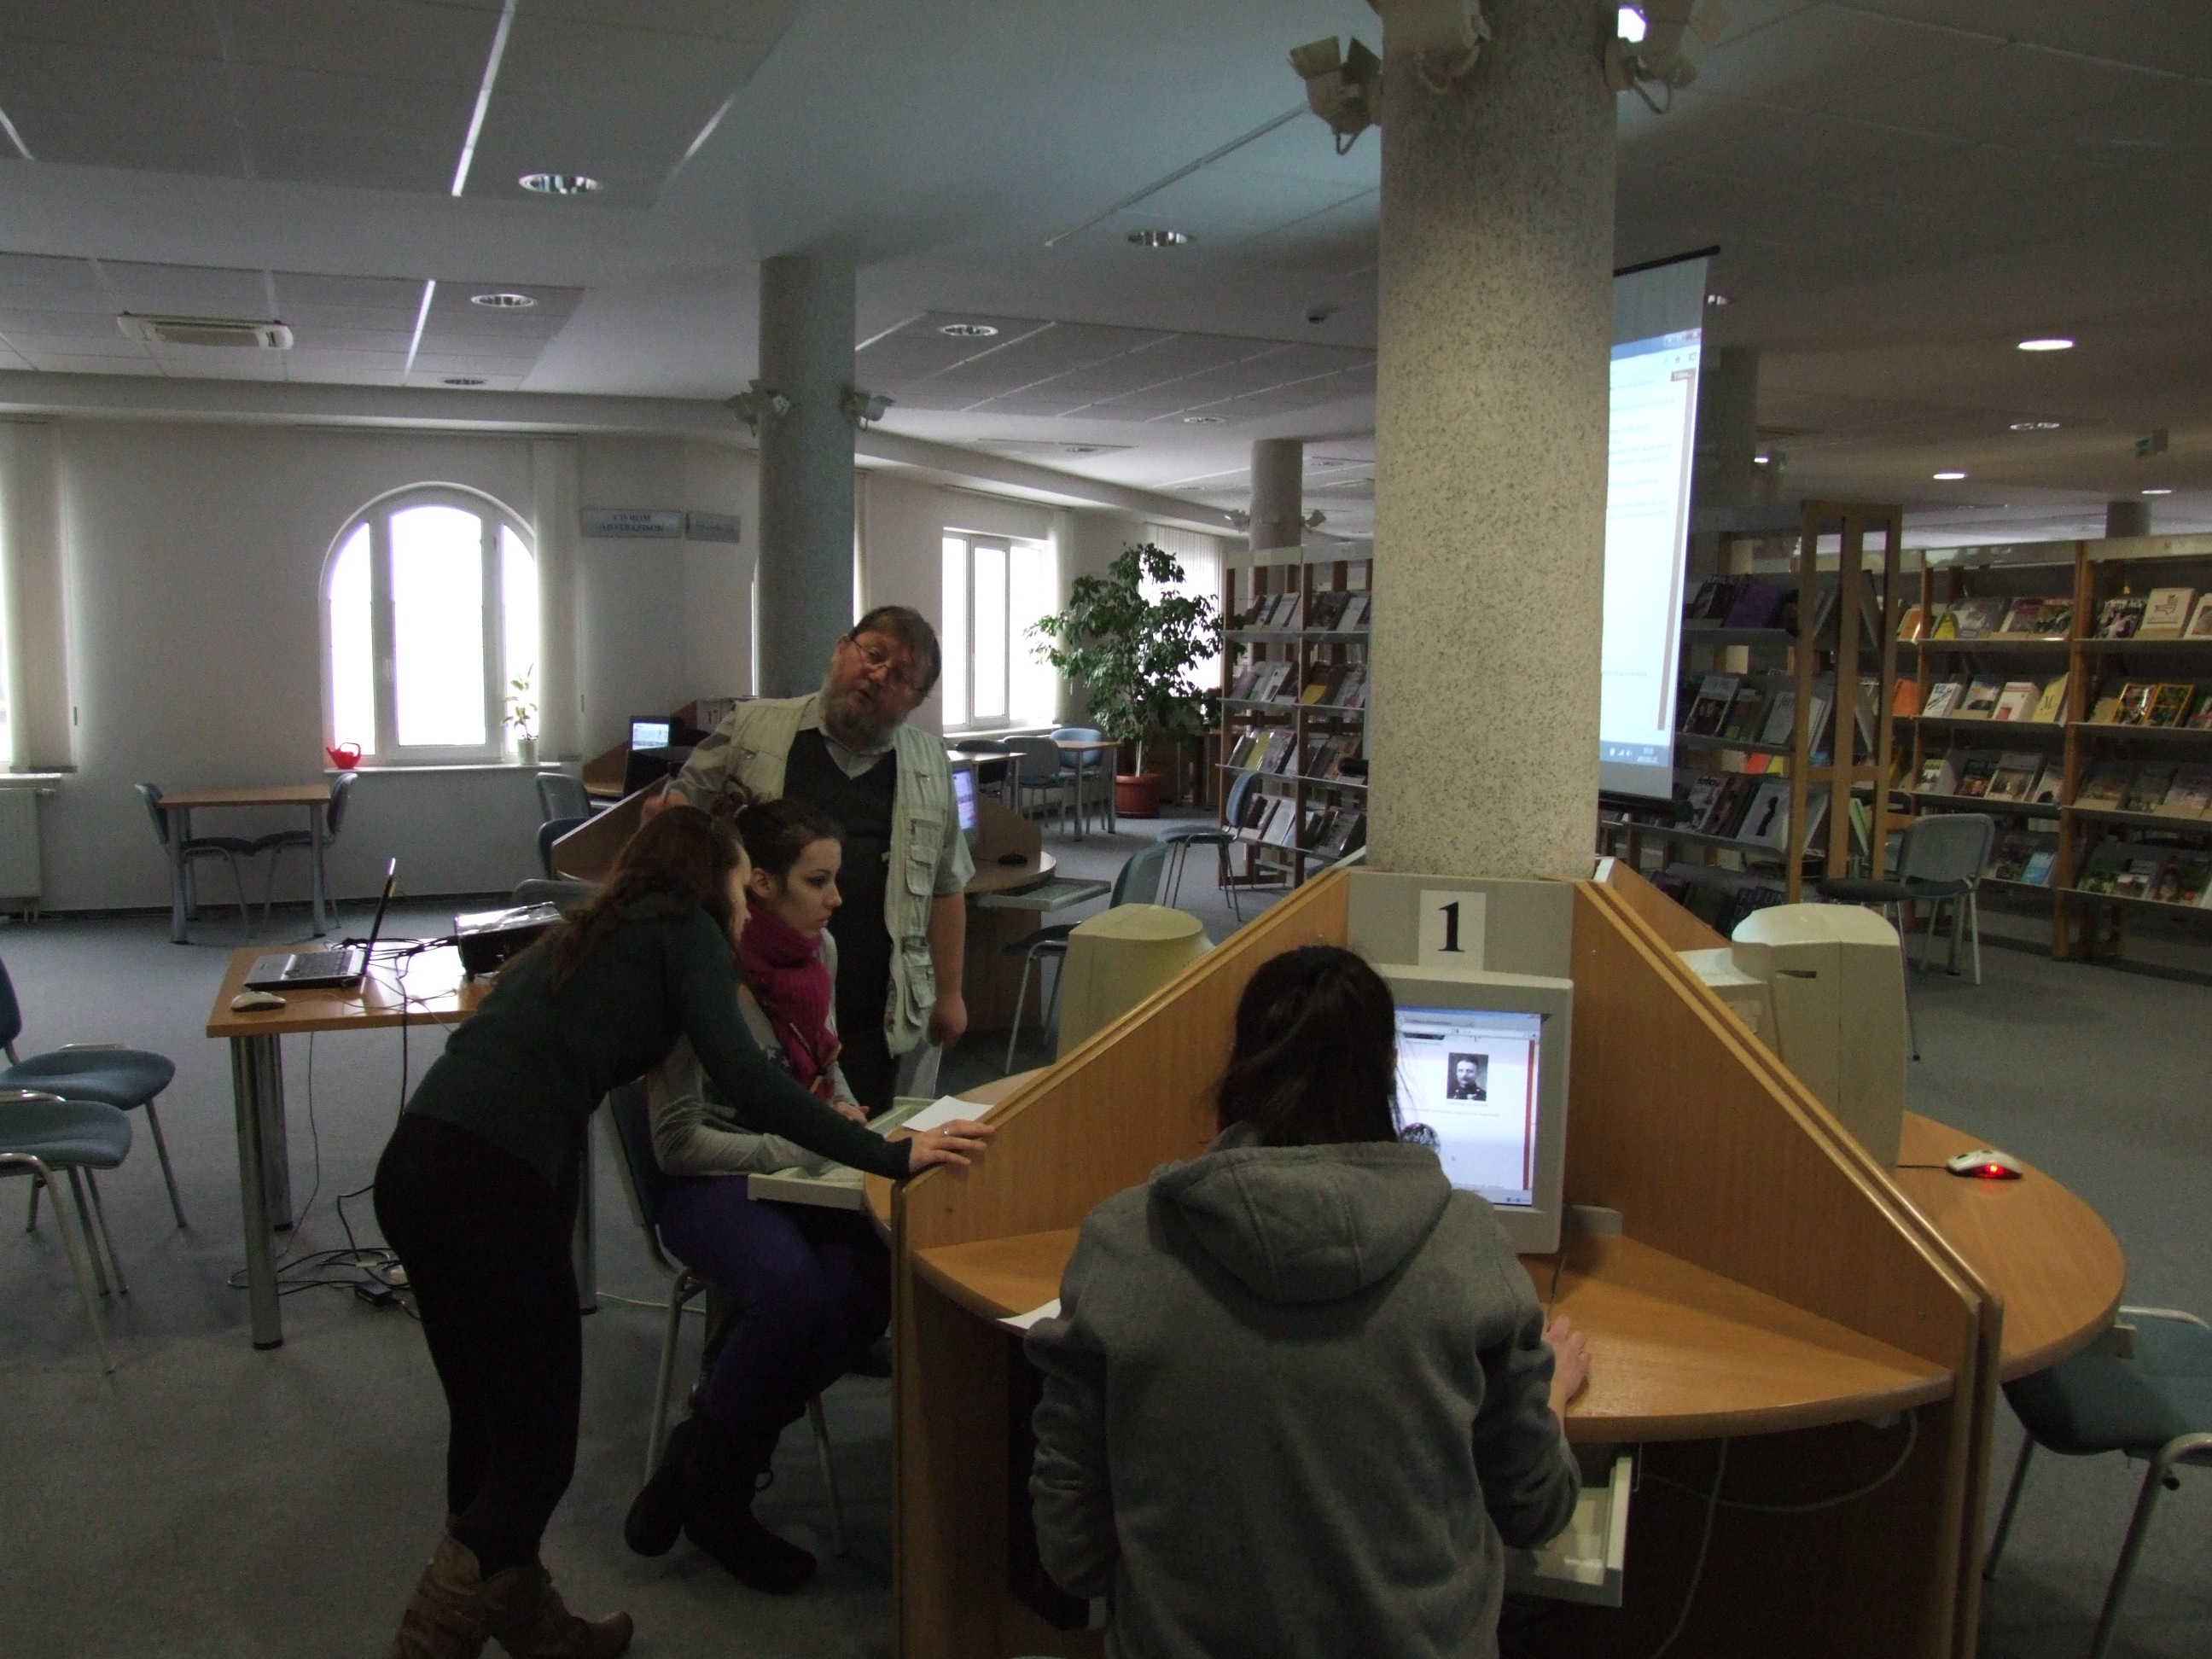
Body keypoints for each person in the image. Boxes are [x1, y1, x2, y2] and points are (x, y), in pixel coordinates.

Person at [373, 803, 992, 1659]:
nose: (744, 905)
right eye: (742, 885)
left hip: (419, 1166)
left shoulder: (587, 935)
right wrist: (887, 1156)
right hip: (490, 1186)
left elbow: (532, 1070)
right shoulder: (687, 932)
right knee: (538, 1453)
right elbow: (748, 1078)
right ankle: (436, 1637)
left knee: (485, 1426)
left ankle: (528, 1620)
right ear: (720, 882)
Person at [1026, 945, 1587, 1659]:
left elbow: (1072, 1550)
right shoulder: (1468, 1245)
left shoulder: (1124, 1243)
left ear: (1238, 1067)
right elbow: (1535, 1508)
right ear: (1390, 1070)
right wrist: (1553, 1397)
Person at [622, 797, 891, 1592]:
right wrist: (804, 1143)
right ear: (760, 885)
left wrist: (841, 1112)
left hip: (797, 1166)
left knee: (871, 1281)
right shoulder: (701, 964)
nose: (836, 899)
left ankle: (699, 1457)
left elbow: (823, 1062)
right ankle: (723, 1499)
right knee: (794, 1291)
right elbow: (678, 1143)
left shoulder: (819, 951)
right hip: (709, 1180)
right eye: (818, 881)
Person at [672, 605, 971, 1112]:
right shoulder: (753, 728)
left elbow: (946, 885)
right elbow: (681, 815)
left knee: (868, 1131)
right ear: (840, 650)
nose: (879, 675)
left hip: (880, 1000)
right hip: (757, 994)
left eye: (901, 676)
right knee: (765, 1125)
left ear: (916, 700)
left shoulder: (929, 763)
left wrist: (951, 994)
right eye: (872, 655)